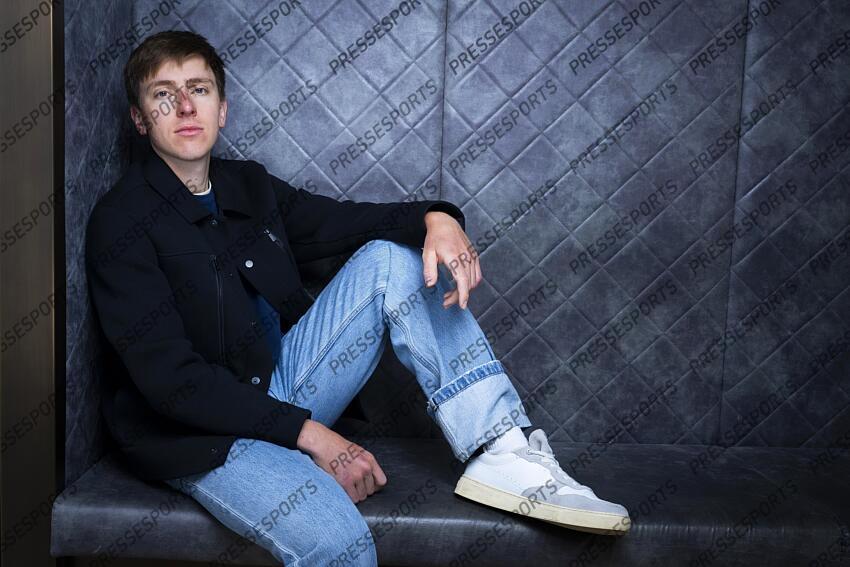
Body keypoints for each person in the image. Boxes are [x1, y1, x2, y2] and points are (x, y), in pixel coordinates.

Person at [85, 29, 630, 567]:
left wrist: (438, 217)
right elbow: (172, 383)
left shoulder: (247, 186)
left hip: (280, 388)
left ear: (222, 109)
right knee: (339, 545)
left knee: (390, 259)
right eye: (164, 94)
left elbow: (349, 223)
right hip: (199, 434)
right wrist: (314, 437)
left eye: (199, 89)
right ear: (140, 118)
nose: (185, 106)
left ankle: (499, 447)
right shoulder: (121, 221)